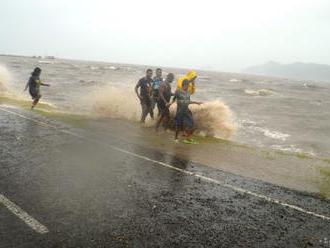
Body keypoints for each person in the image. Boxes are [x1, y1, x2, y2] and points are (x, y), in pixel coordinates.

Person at [171, 79, 202, 143]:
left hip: (186, 110)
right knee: (178, 125)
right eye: (188, 85)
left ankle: (187, 138)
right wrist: (170, 103)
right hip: (180, 111)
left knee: (191, 124)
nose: (188, 86)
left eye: (188, 85)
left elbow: (188, 101)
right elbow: (174, 99)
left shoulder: (188, 93)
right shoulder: (178, 91)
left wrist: (197, 102)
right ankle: (176, 138)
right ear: (184, 85)